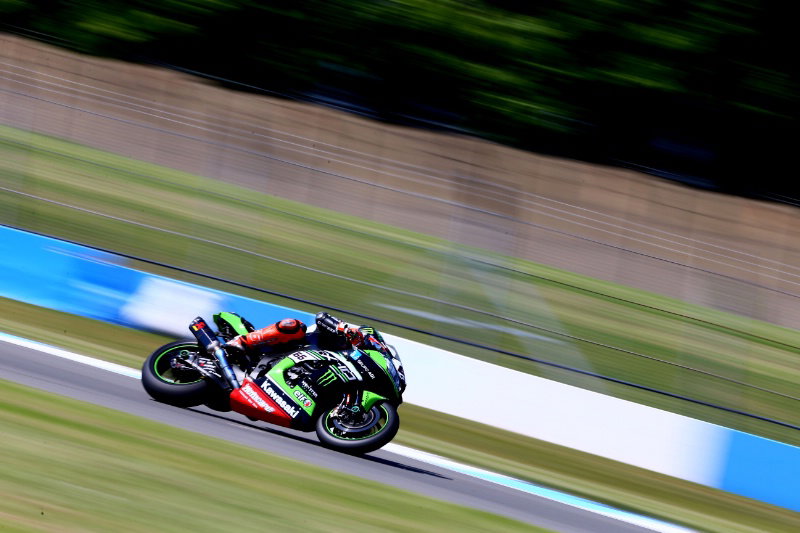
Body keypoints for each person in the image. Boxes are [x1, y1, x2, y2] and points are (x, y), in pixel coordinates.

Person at [224, 311, 388, 355]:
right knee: (294, 325)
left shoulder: (349, 363)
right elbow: (321, 317)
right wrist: (344, 329)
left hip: (292, 368)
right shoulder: (340, 336)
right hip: (288, 346)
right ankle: (242, 341)